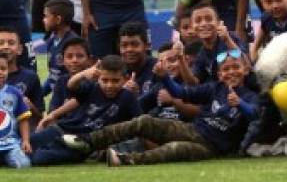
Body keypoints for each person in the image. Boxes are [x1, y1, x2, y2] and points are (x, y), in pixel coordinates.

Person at [66, 48, 259, 167]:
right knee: (144, 121)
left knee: (174, 149)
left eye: (236, 67)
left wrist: (240, 104)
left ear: (246, 70)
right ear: (219, 74)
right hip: (194, 130)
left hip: (213, 147)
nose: (231, 72)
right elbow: (179, 92)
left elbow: (255, 117)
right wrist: (164, 76)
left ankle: (125, 160)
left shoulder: (251, 96)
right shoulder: (213, 88)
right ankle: (88, 141)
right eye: (226, 69)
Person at [30, 55, 142, 166]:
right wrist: (84, 74)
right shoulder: (92, 88)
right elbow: (71, 85)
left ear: (125, 79)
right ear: (98, 78)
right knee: (27, 144)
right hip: (62, 130)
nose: (109, 85)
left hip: (81, 145)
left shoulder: (128, 97)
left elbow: (140, 124)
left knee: (39, 158)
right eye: (105, 80)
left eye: (115, 81)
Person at [40, 0, 79, 98]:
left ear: (58, 19)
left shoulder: (73, 44)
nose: (43, 20)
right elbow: (53, 76)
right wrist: (38, 95)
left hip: (69, 98)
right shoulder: (51, 40)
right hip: (57, 97)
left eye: (46, 16)